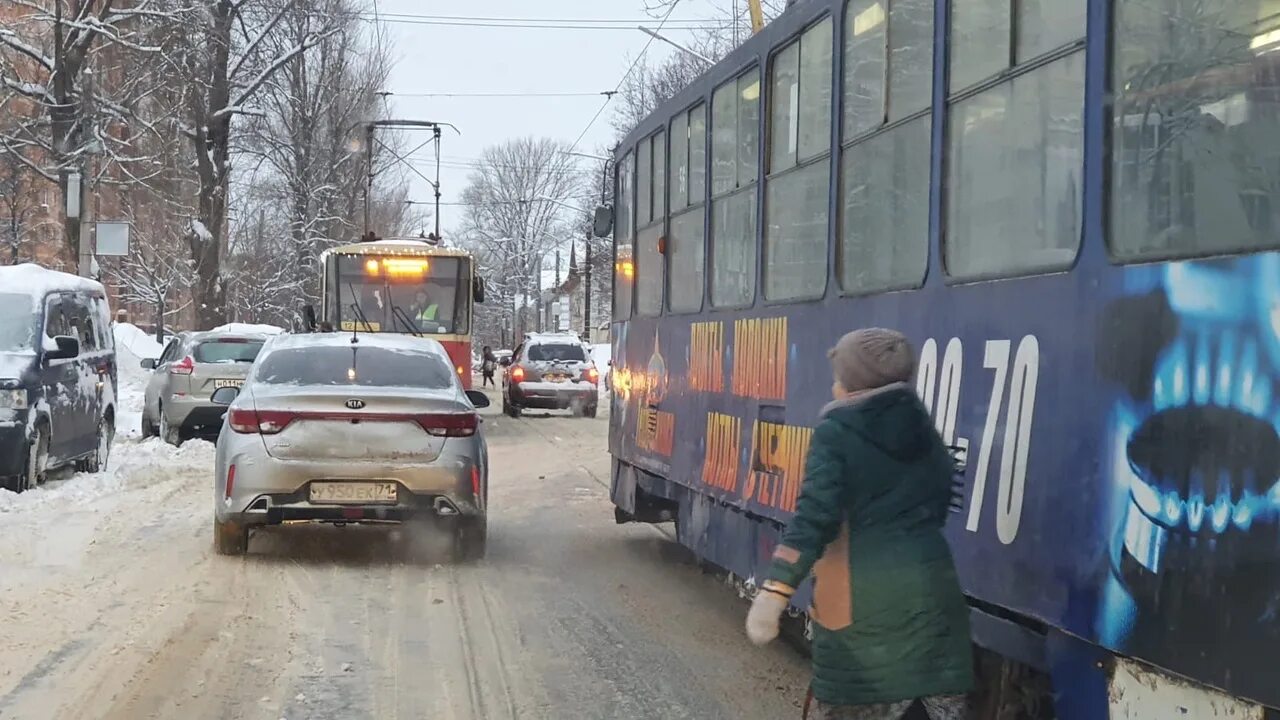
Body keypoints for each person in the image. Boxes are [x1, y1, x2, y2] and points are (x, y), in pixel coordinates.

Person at [745, 328, 973, 720]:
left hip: (862, 614)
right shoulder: (924, 429)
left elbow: (815, 518)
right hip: (935, 606)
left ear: (851, 382)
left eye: (839, 375)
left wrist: (775, 590)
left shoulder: (838, 433)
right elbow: (934, 507)